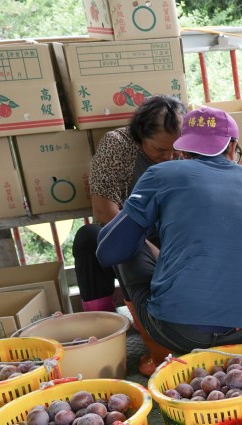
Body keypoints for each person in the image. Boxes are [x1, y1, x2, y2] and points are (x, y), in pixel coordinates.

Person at [95, 105, 242, 354]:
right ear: (233, 146)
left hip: (178, 332)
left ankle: (155, 353)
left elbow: (109, 252)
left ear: (182, 148)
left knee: (129, 245)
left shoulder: (159, 175)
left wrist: (140, 229)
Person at [71, 95, 187, 313]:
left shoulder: (189, 149)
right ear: (140, 134)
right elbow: (103, 210)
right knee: (90, 237)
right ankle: (102, 320)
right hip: (131, 232)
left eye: (176, 149)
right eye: (161, 150)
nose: (171, 157)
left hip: (173, 237)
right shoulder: (118, 145)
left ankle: (151, 320)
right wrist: (148, 247)